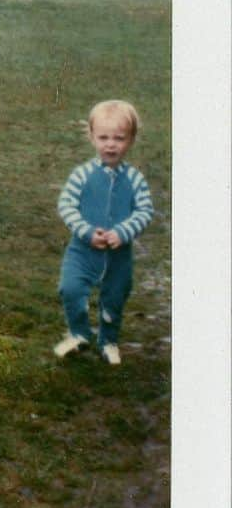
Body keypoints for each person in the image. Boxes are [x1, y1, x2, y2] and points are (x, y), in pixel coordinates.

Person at [53, 99, 154, 366]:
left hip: (117, 255)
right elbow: (66, 205)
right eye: (104, 137)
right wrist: (86, 232)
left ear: (131, 140)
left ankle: (108, 341)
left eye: (119, 138)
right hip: (82, 251)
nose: (111, 144)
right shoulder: (82, 175)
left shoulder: (135, 179)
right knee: (70, 288)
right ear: (92, 138)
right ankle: (78, 334)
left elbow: (145, 211)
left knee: (115, 297)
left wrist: (123, 231)